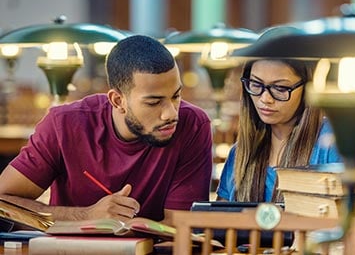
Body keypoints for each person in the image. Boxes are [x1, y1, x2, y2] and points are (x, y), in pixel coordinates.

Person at [0, 35, 213, 225]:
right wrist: (87, 215)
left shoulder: (193, 125)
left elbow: (181, 226)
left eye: (176, 96)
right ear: (118, 100)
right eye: (154, 102)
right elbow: (4, 201)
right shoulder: (64, 124)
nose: (171, 114)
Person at [216, 58, 342, 203]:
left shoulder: (331, 142)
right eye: (256, 84)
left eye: (280, 88)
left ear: (308, 88)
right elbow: (221, 218)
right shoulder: (239, 153)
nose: (265, 98)